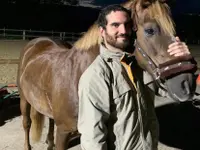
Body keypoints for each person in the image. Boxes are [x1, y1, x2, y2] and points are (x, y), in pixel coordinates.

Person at [77, 4, 192, 150]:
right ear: (102, 31)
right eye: (115, 25)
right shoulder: (96, 76)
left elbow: (173, 92)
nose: (123, 31)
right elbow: (92, 138)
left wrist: (183, 60)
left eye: (127, 25)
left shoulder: (139, 66)